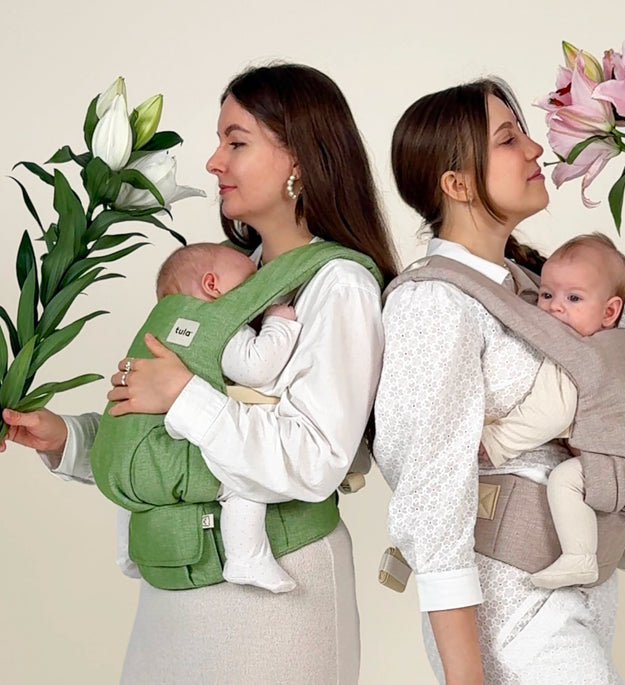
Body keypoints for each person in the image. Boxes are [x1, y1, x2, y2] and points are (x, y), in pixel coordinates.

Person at [1, 63, 398, 684]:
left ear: (299, 159)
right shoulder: (224, 276)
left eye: (236, 142)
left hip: (278, 595)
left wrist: (183, 394)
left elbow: (315, 458)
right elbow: (172, 438)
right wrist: (70, 440)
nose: (213, 162)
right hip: (174, 584)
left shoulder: (338, 286)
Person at [373, 78, 625, 684]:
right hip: (508, 606)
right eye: (508, 139)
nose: (535, 149)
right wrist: (464, 676)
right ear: (456, 184)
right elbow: (431, 492)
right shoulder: (434, 304)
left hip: (577, 587)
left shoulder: (539, 289)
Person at [115, 242, 302, 592]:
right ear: (213, 286)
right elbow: (256, 367)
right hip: (184, 436)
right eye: (250, 283)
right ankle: (246, 558)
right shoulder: (219, 324)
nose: (257, 292)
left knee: (139, 486)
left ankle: (129, 551)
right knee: (245, 481)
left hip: (149, 440)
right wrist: (278, 322)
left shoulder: (169, 327)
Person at [481, 232, 625, 590]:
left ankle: (580, 558)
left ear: (610, 311)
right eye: (547, 295)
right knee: (619, 493)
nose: (555, 307)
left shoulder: (574, 355)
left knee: (566, 480)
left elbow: (551, 413)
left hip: (619, 459)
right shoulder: (619, 349)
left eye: (573, 298)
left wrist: (496, 441)